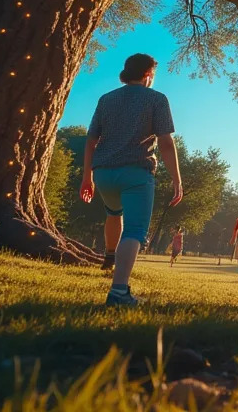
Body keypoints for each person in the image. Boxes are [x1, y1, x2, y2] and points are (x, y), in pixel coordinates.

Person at [79, 53, 183, 306]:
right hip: (136, 172)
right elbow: (167, 143)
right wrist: (177, 180)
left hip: (103, 173)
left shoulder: (106, 99)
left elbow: (91, 141)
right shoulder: (156, 99)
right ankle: (119, 291)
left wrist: (87, 178)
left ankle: (110, 255)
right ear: (148, 74)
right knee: (135, 231)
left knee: (114, 213)